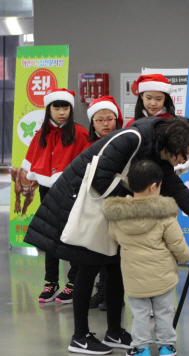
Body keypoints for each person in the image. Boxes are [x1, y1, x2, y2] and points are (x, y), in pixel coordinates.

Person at [24, 116, 189, 355]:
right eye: (186, 153)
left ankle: (114, 331)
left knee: (115, 265)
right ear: (175, 143)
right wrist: (137, 197)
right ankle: (80, 336)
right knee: (88, 265)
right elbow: (99, 178)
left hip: (110, 207)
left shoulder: (159, 153)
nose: (187, 159)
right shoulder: (132, 138)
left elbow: (178, 191)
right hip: (81, 204)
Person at [102, 160, 189, 356]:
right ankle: (166, 346)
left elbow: (113, 236)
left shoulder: (117, 215)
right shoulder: (164, 214)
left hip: (134, 278)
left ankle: (141, 347)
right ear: (154, 187)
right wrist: (186, 257)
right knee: (164, 312)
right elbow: (177, 243)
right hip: (162, 277)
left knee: (140, 314)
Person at [21, 88, 88, 304]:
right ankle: (50, 281)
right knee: (50, 235)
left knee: (73, 235)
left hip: (73, 190)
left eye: (65, 107)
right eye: (56, 107)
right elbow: (33, 161)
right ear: (48, 109)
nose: (61, 112)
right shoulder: (41, 134)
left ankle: (73, 282)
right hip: (47, 190)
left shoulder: (80, 133)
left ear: (71, 109)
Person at [83, 96, 124, 311]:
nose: (106, 123)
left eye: (110, 118)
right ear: (92, 123)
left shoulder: (124, 141)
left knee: (116, 252)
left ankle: (115, 294)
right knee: (97, 249)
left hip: (118, 203)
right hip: (94, 205)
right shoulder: (87, 145)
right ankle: (101, 290)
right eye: (100, 120)